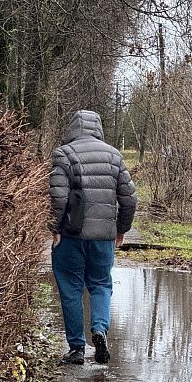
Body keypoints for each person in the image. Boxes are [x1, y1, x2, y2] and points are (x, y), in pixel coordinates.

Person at [48, 109, 137, 365]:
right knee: (100, 284)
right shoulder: (114, 155)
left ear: (73, 128)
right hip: (103, 237)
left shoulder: (63, 154)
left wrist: (54, 228)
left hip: (71, 236)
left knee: (71, 288)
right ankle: (99, 328)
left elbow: (58, 197)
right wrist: (121, 229)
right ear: (98, 128)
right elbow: (129, 200)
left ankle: (77, 348)